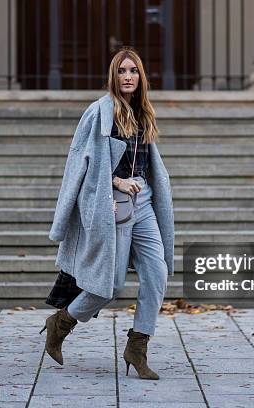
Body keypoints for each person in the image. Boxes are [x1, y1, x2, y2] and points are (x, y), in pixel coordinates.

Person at [43, 47, 174, 380]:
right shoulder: (99, 112)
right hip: (112, 205)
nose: (127, 76)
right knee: (108, 286)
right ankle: (61, 322)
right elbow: (81, 164)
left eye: (133, 71)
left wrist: (141, 185)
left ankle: (138, 345)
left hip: (142, 204)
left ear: (141, 76)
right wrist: (116, 180)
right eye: (121, 71)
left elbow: (146, 162)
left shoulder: (144, 113)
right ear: (113, 77)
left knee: (157, 273)